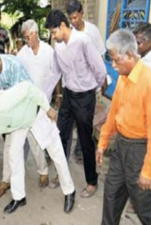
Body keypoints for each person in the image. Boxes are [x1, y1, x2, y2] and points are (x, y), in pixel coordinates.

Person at [0, 82, 76, 214]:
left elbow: (28, 88)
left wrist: (47, 108)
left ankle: (70, 191)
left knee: (56, 153)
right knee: (13, 155)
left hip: (35, 114)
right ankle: (19, 197)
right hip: (19, 124)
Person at [97, 29, 151, 225]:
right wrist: (103, 141)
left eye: (116, 60)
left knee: (146, 210)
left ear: (129, 54)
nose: (113, 65)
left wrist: (148, 169)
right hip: (121, 148)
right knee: (111, 196)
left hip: (141, 151)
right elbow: (113, 113)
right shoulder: (122, 78)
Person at [45, 10, 106, 198]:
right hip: (68, 96)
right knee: (59, 135)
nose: (53, 37)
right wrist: (45, 96)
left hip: (85, 97)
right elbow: (55, 72)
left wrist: (94, 91)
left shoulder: (83, 41)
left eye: (54, 32)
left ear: (63, 26)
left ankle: (91, 181)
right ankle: (61, 175)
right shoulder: (59, 47)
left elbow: (99, 69)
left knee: (86, 139)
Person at [0, 46, 50, 197]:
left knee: (34, 140)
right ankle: (6, 180)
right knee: (9, 146)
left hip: (28, 104)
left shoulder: (14, 65)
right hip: (12, 110)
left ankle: (43, 172)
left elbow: (20, 95)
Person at [65, 0, 107, 163]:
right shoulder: (69, 33)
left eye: (75, 17)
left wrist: (103, 80)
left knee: (85, 121)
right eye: (71, 19)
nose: (73, 22)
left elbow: (101, 56)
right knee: (69, 123)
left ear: (82, 13)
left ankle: (80, 150)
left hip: (90, 86)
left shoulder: (92, 31)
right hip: (73, 86)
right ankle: (64, 152)